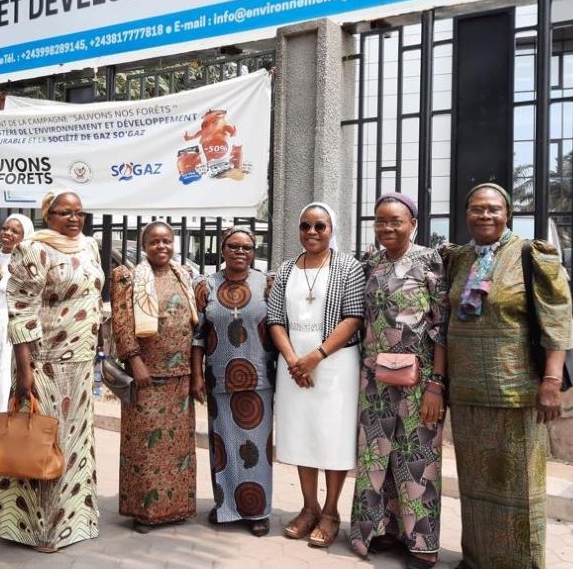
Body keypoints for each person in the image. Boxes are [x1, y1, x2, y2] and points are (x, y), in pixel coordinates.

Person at [444, 183, 573, 569]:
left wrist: (551, 382)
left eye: (493, 209)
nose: (485, 215)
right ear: (467, 213)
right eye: (477, 209)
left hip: (517, 391)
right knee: (475, 485)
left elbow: (557, 319)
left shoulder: (529, 255)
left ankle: (524, 563)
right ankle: (477, 560)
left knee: (520, 487)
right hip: (466, 392)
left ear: (508, 214)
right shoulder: (458, 258)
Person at [0, 192, 103, 551]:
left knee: (76, 445)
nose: (74, 219)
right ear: (48, 215)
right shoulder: (33, 249)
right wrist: (25, 372)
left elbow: (91, 298)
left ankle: (77, 520)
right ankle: (41, 530)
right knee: (44, 441)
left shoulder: (89, 246)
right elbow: (21, 310)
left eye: (79, 212)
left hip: (82, 364)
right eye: (64, 213)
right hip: (45, 362)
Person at [349, 193, 450, 567]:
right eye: (381, 221)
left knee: (417, 458)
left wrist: (437, 383)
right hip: (375, 379)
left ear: (413, 224)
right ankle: (380, 532)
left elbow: (442, 327)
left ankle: (423, 544)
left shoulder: (430, 261)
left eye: (396, 221)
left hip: (420, 381)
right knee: (376, 456)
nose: (387, 228)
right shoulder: (370, 264)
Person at [267, 202, 365, 548]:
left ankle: (331, 512)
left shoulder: (348, 267)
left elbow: (353, 317)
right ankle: (308, 508)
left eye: (319, 226)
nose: (311, 232)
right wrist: (295, 360)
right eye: (305, 225)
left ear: (331, 229)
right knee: (303, 434)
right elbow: (275, 319)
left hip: (335, 366)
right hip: (294, 369)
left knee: (332, 436)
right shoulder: (286, 268)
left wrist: (315, 357)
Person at [111, 221, 201, 532]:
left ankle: (177, 509)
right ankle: (145, 512)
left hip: (180, 377)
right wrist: (135, 361)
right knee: (146, 446)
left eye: (166, 241)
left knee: (177, 448)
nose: (161, 247)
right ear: (143, 245)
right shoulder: (128, 277)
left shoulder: (184, 275)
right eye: (154, 242)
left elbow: (194, 327)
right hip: (147, 375)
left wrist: (196, 374)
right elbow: (121, 324)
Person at [191, 226, 275, 537]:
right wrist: (197, 374)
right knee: (223, 445)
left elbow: (278, 328)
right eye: (234, 246)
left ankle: (258, 511)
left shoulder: (267, 283)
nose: (240, 252)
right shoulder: (206, 285)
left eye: (247, 247)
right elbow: (197, 334)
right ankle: (226, 507)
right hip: (218, 378)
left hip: (259, 380)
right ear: (223, 250)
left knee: (256, 447)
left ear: (254, 253)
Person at [0, 213, 34, 414]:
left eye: (15, 231)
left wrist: (1, 274)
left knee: (6, 378)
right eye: (5, 228)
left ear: (25, 236)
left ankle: (2, 426)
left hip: (11, 328)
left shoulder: (27, 262)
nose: (8, 233)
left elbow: (28, 293)